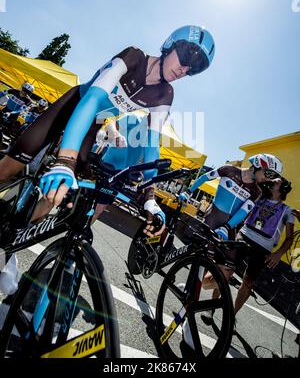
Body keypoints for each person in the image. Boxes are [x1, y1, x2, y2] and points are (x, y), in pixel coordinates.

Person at [0, 25, 215, 240]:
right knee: (9, 167)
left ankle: (11, 237)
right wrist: (65, 160)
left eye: (193, 68)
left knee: (57, 194)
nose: (184, 69)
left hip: (92, 124)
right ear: (170, 45)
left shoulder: (164, 93)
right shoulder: (134, 57)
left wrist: (150, 197)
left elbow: (152, 143)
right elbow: (92, 100)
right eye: (186, 57)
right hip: (73, 105)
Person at [178, 154, 284, 352]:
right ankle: (187, 314)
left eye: (272, 176)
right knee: (199, 267)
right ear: (257, 165)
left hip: (227, 231)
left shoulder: (257, 191)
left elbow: (243, 212)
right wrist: (189, 191)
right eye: (268, 173)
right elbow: (205, 177)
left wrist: (227, 227)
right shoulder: (229, 170)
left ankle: (192, 291)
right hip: (210, 222)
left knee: (221, 273)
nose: (268, 179)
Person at [234, 177, 295, 316]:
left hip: (263, 247)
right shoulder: (259, 197)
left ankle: (232, 314)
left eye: (277, 181)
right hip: (244, 235)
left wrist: (278, 254)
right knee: (226, 267)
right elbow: (256, 182)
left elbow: (290, 238)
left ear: (284, 188)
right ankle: (210, 309)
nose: (273, 181)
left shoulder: (287, 210)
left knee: (248, 282)